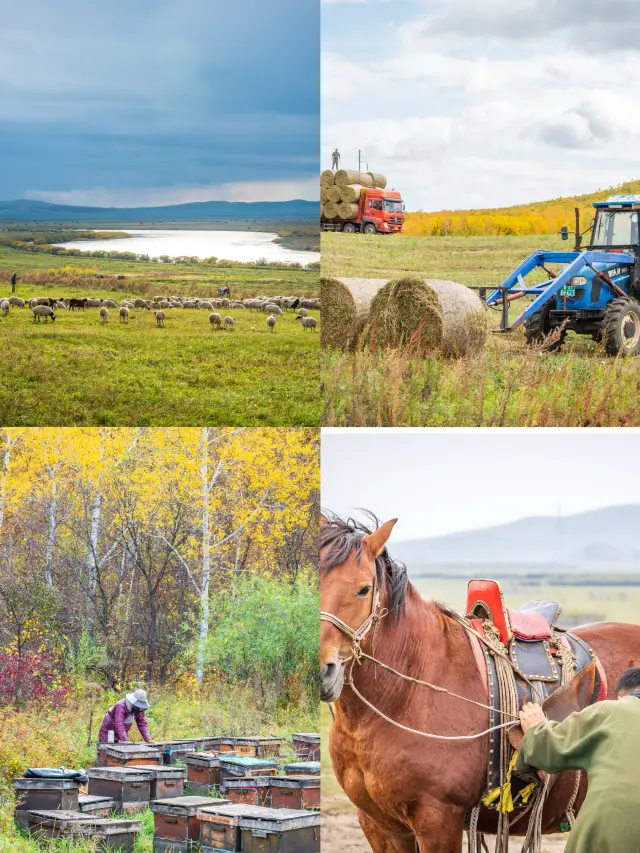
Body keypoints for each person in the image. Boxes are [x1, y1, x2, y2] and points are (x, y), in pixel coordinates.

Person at [517, 667, 640, 853]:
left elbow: (551, 749)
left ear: (625, 696)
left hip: (607, 834)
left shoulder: (612, 710)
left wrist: (536, 729)